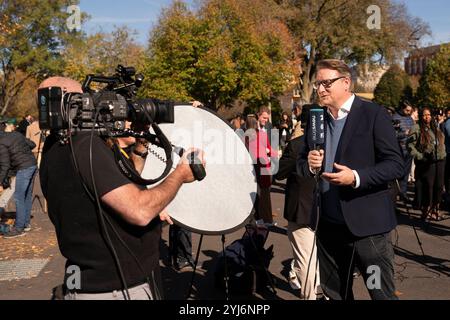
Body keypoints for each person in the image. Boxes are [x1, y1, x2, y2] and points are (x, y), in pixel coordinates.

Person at [39, 77, 205, 300]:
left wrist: (141, 145)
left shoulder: (55, 146)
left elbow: (118, 185)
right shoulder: (85, 146)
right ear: (73, 101)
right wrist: (180, 174)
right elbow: (139, 211)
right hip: (113, 288)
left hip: (82, 279)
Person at [298, 59, 403, 300]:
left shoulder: (373, 114)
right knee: (336, 294)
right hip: (328, 226)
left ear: (346, 83)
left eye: (326, 83)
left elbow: (395, 164)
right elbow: (302, 164)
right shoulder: (317, 119)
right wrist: (311, 165)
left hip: (368, 229)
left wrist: (355, 177)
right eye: (317, 84)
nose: (320, 89)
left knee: (380, 294)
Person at [275, 117, 319, 299]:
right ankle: (316, 291)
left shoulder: (296, 145)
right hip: (326, 209)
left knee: (306, 260)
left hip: (301, 211)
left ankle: (310, 296)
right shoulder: (333, 143)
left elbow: (279, 173)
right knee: (315, 258)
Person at [407, 107, 446, 221]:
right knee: (428, 188)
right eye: (424, 115)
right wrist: (420, 156)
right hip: (427, 163)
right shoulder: (416, 128)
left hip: (440, 161)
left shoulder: (435, 127)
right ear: (420, 116)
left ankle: (435, 210)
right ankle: (425, 211)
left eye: (428, 115)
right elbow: (410, 146)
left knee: (438, 187)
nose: (427, 117)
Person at [0, 121, 37, 238]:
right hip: (32, 164)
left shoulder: (1, 143)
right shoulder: (16, 134)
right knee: (25, 195)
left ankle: (19, 228)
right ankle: (25, 224)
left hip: (24, 168)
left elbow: (5, 165)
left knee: (19, 196)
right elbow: (32, 144)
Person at [245, 115, 275, 224]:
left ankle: (256, 217)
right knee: (265, 194)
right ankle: (267, 219)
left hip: (252, 167)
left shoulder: (245, 136)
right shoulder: (261, 134)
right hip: (263, 165)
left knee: (254, 193)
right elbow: (270, 150)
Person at [391, 102, 415, 199]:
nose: (409, 112)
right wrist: (404, 133)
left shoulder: (410, 118)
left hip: (409, 149)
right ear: (402, 108)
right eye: (407, 110)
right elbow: (392, 135)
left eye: (410, 111)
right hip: (399, 150)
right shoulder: (394, 118)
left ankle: (403, 193)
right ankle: (395, 194)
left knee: (406, 173)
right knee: (398, 173)